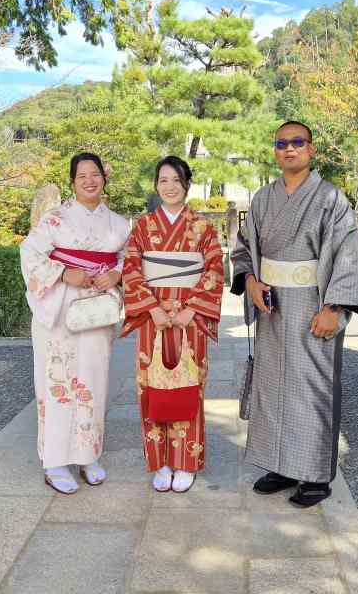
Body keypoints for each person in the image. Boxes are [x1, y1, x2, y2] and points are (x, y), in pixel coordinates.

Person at [230, 121, 358, 507]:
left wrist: (335, 306)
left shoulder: (330, 199)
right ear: (275, 151)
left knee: (312, 387)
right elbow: (244, 249)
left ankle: (313, 474)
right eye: (282, 143)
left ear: (311, 150)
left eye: (297, 142)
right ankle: (280, 465)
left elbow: (347, 252)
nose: (289, 149)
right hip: (271, 306)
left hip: (313, 303)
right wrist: (250, 283)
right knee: (273, 386)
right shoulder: (262, 199)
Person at [19, 152, 130, 494]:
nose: (89, 180)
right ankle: (54, 461)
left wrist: (116, 274)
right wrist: (65, 273)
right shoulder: (54, 220)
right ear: (72, 182)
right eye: (81, 176)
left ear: (103, 178)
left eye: (94, 174)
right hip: (59, 306)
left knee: (93, 380)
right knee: (57, 382)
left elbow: (130, 258)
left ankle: (88, 454)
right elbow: (29, 253)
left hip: (97, 308)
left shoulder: (119, 223)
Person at [122, 156, 224, 493]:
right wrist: (151, 308)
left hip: (188, 318)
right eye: (162, 180)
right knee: (152, 385)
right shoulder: (142, 226)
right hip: (153, 318)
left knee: (188, 382)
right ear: (156, 185)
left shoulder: (203, 227)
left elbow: (213, 271)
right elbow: (131, 268)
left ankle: (186, 461)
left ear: (187, 185)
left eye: (175, 180)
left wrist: (191, 310)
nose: (169, 187)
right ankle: (161, 461)